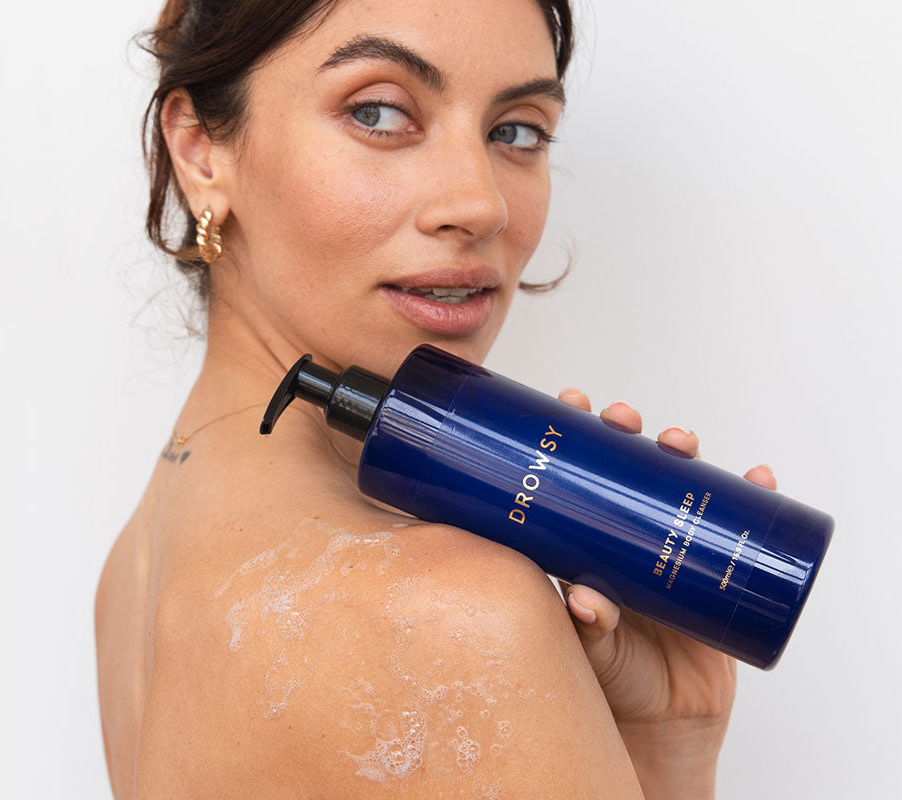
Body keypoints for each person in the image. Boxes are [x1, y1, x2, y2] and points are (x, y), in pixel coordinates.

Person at [94, 0, 779, 796]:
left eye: (516, 130)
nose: (481, 204)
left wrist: (671, 745)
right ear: (201, 148)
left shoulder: (136, 569)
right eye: (379, 112)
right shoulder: (452, 614)